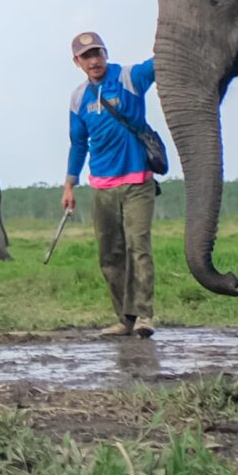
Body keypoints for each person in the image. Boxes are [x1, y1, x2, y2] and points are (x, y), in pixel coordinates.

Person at [64, 29, 160, 337]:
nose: (94, 60)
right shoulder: (79, 97)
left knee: (138, 247)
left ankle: (145, 315)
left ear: (106, 53)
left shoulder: (129, 78)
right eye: (86, 56)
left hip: (137, 182)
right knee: (110, 255)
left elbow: (159, 62)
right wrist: (69, 185)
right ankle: (125, 319)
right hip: (102, 185)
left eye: (98, 53)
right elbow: (78, 144)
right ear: (77, 61)